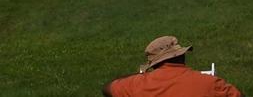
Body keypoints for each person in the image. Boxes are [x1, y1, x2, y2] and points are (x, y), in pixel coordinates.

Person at [102, 35, 243, 97]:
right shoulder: (210, 83)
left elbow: (108, 88)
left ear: (154, 63)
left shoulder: (136, 85)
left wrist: (140, 77)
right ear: (182, 55)